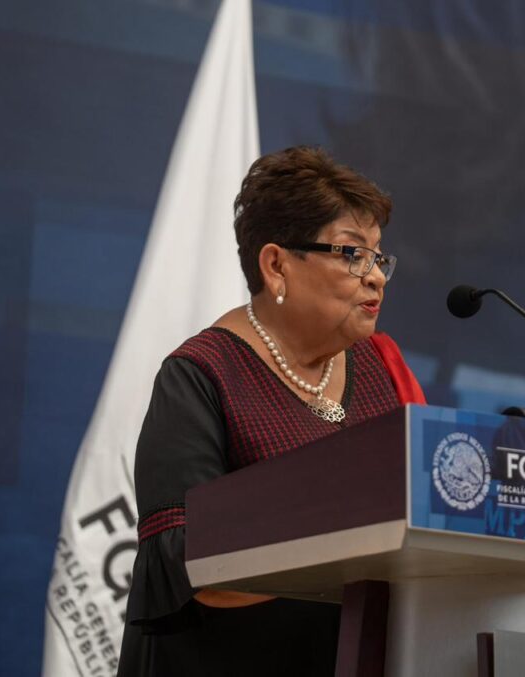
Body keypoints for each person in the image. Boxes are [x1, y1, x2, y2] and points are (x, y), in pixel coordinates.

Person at [117, 146, 425, 676]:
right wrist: (346, 542)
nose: (376, 276)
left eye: (379, 257)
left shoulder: (384, 365)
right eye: (353, 254)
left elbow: (429, 514)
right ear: (277, 265)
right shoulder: (201, 376)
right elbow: (184, 563)